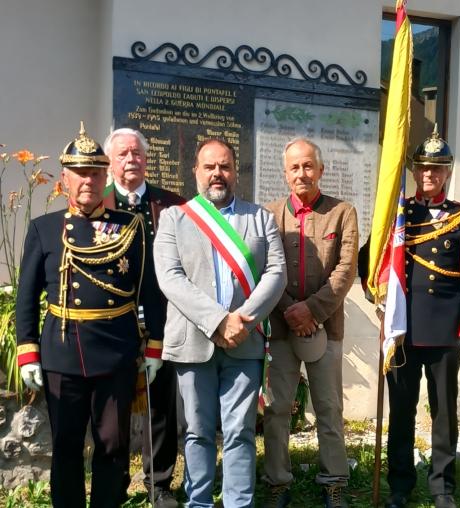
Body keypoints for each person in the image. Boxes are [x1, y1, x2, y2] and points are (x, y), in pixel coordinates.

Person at [16, 122, 156, 507]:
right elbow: (27, 297)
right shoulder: (44, 229)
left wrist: (154, 346)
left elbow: (148, 290)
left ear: (105, 174)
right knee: (66, 445)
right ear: (65, 178)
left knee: (113, 444)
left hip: (116, 351)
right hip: (63, 350)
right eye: (80, 173)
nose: (88, 181)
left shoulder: (132, 227)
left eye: (95, 172)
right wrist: (27, 351)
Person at [153, 138, 286, 507]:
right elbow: (170, 278)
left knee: (240, 431)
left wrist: (242, 320)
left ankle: (238, 503)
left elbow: (277, 273)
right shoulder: (174, 218)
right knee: (196, 432)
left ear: (235, 172)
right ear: (195, 171)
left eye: (225, 166)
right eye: (209, 166)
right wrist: (217, 322)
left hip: (245, 341)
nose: (217, 174)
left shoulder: (260, 218)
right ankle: (199, 502)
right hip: (194, 342)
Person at [385, 127, 460, 508]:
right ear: (414, 171)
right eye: (423, 168)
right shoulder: (397, 215)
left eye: (437, 168)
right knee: (401, 411)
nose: (429, 174)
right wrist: (378, 292)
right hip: (403, 328)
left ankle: (442, 485)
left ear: (447, 173)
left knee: (443, 413)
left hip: (445, 330)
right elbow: (373, 258)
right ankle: (399, 484)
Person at [262, 137, 358, 508]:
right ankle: (277, 482)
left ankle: (334, 481)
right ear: (285, 174)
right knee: (277, 409)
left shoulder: (342, 212)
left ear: (320, 170)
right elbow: (266, 270)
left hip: (326, 327)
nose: (302, 173)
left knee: (329, 409)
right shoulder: (269, 215)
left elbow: (345, 270)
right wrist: (291, 310)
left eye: (308, 166)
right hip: (283, 328)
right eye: (294, 167)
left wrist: (313, 311)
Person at [102, 127, 185, 508]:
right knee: (113, 408)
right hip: (112, 323)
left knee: (160, 404)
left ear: (147, 159)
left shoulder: (171, 205)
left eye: (136, 153)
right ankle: (114, 481)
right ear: (110, 161)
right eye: (122, 154)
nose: (130, 160)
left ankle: (160, 482)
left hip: (162, 320)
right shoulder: (97, 204)